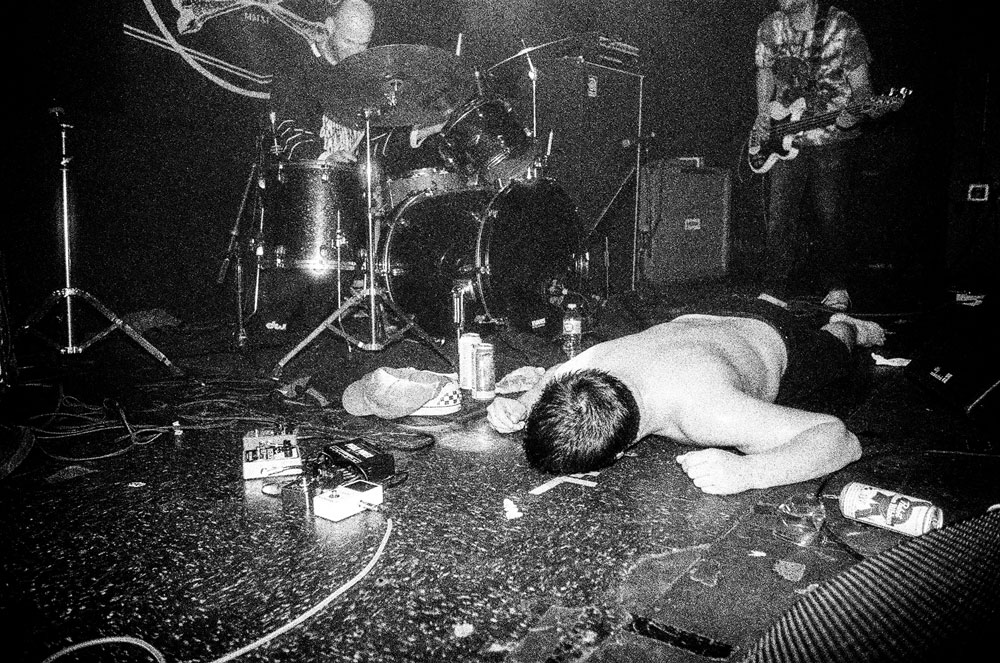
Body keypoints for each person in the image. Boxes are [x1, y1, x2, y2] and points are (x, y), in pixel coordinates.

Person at [486, 296, 887, 495]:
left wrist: (747, 472)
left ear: (620, 454)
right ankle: (774, 299)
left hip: (782, 341)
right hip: (713, 309)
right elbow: (554, 374)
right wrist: (523, 405)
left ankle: (845, 326)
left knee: (836, 350)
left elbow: (839, 439)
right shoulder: (591, 365)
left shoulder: (708, 413)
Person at [753, 0, 877, 311]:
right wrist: (762, 116)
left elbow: (862, 87)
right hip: (784, 133)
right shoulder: (770, 26)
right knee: (779, 216)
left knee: (830, 215)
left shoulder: (842, 26)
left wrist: (856, 111)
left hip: (831, 135)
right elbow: (764, 71)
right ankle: (773, 291)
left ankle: (836, 287)